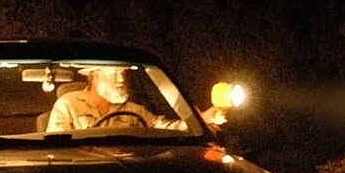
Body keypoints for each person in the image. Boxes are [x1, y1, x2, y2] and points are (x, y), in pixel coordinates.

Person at [45, 67, 227, 132]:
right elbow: (55, 152)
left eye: (122, 73)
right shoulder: (67, 105)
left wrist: (200, 120)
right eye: (114, 73)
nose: (121, 79)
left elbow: (163, 127)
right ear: (95, 76)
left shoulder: (134, 110)